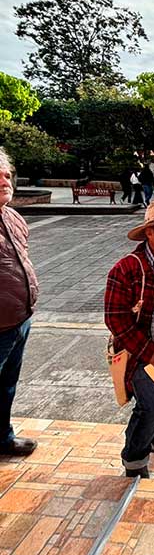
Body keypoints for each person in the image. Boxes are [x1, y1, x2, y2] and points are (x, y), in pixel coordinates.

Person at [104, 201, 154, 478]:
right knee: (153, 409)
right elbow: (115, 320)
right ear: (149, 233)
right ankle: (134, 459)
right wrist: (149, 352)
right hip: (141, 354)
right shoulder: (127, 269)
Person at [0, 148, 39, 456]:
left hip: (19, 320)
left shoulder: (12, 217)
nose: (5, 180)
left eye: (7, 173)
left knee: (7, 386)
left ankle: (2, 437)